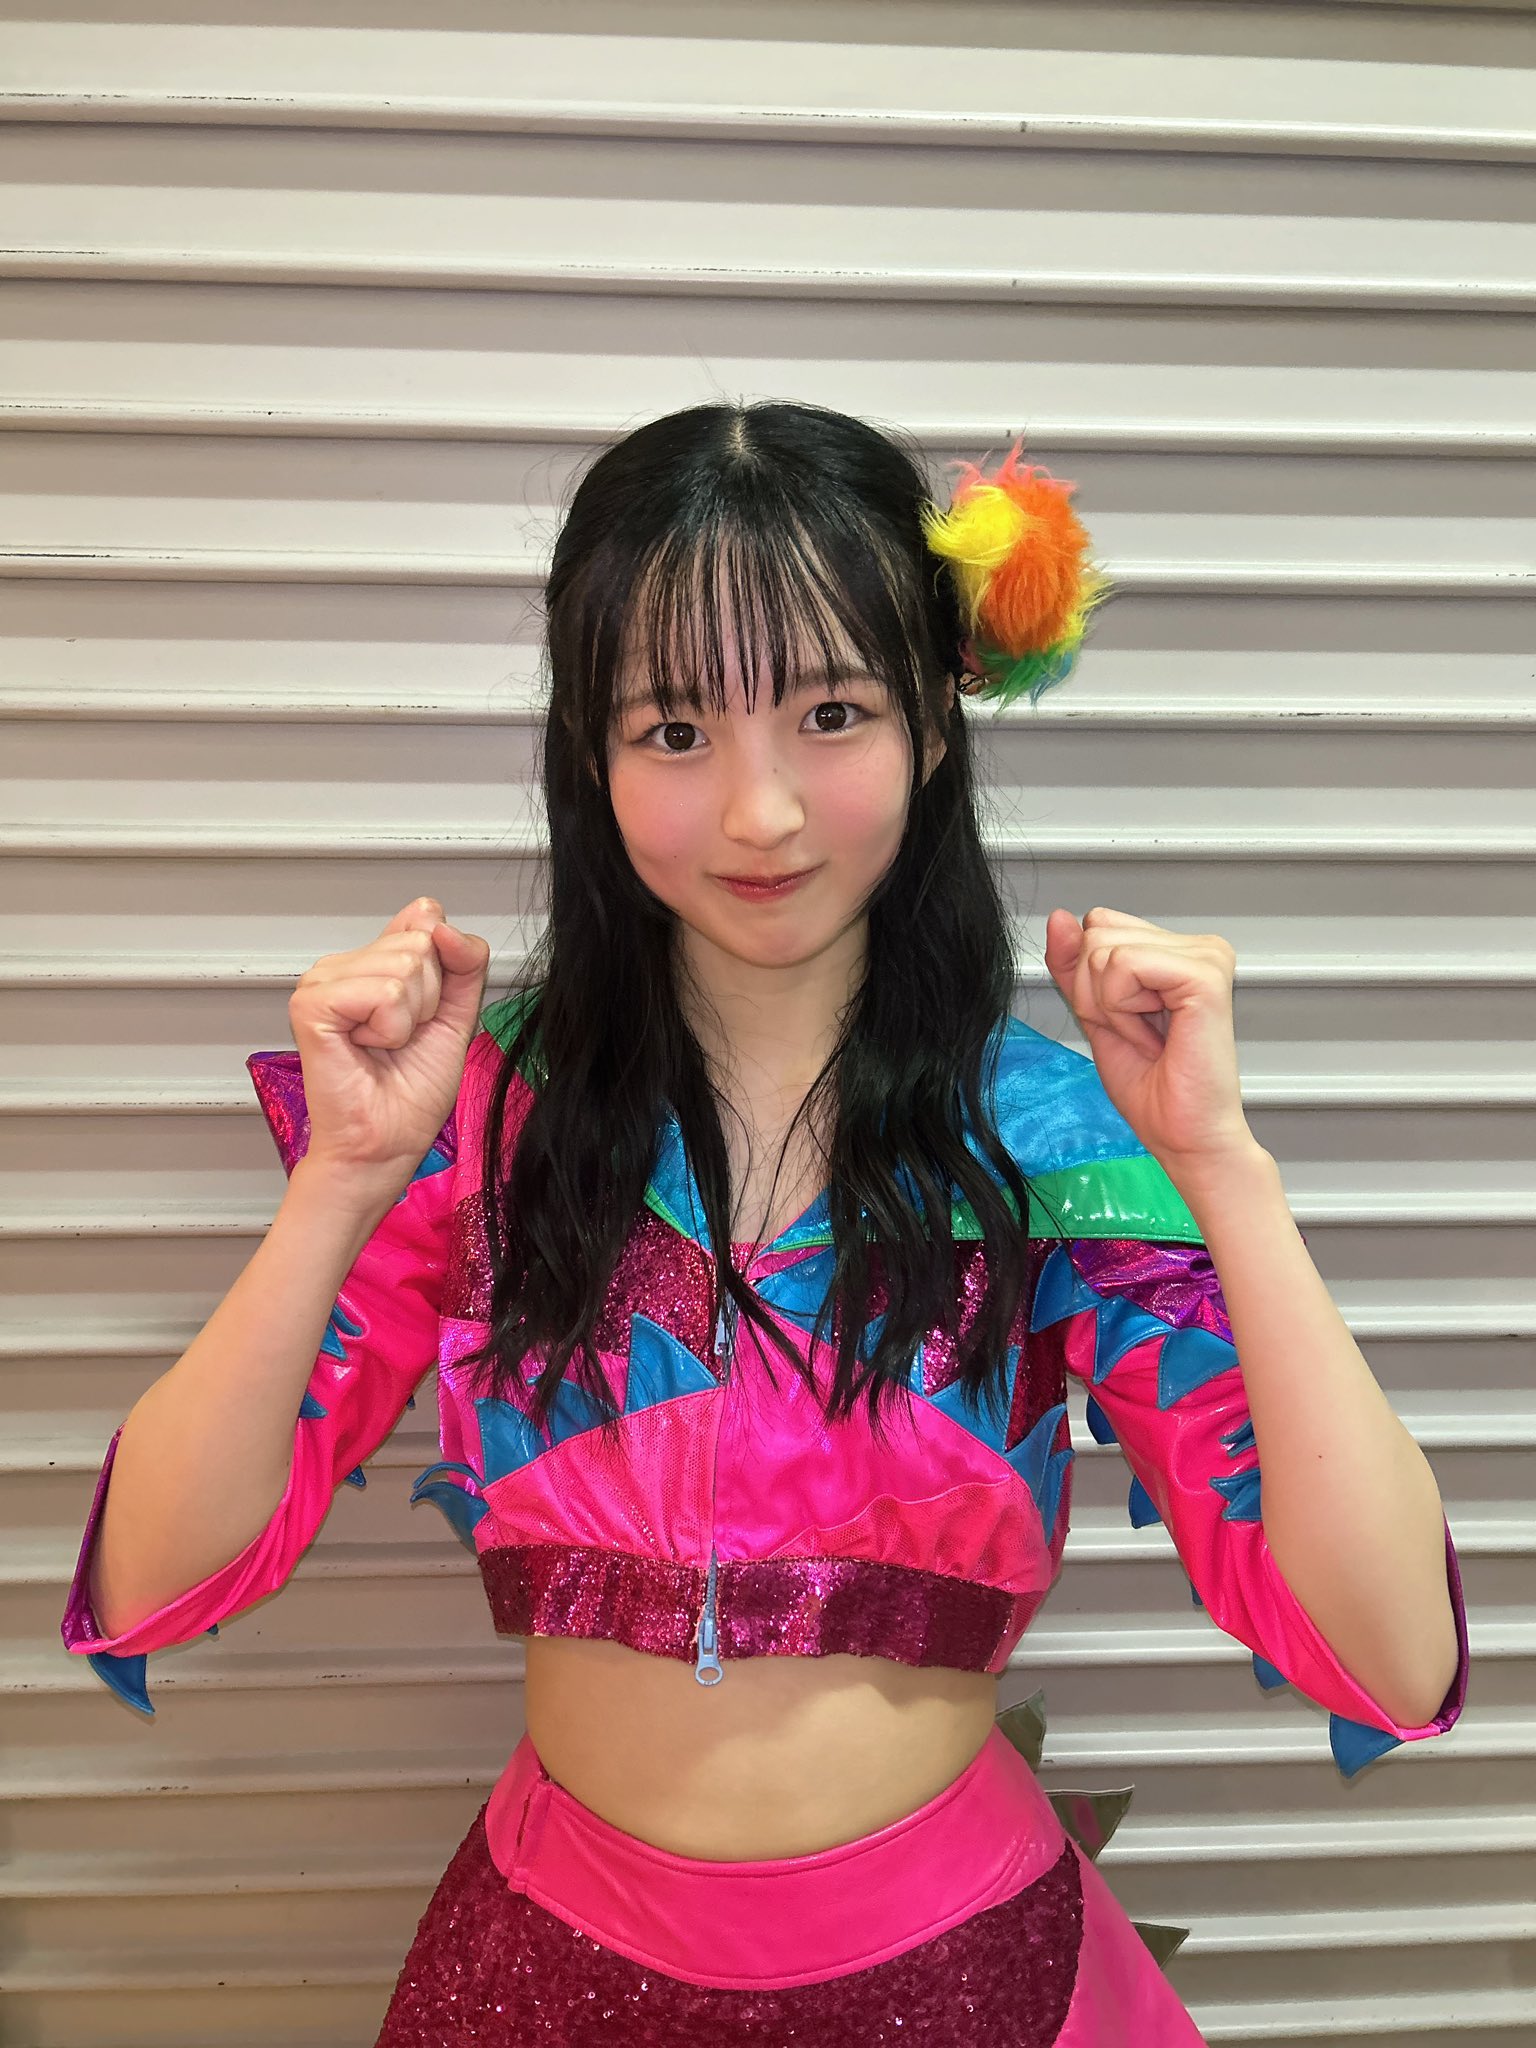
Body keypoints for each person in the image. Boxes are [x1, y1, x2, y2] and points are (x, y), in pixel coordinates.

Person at [61, 403, 1468, 2043]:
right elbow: (152, 1584)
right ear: (589, 752)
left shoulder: (1049, 1139)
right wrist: (343, 1186)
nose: (761, 813)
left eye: (830, 713)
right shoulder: (475, 1113)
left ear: (934, 722)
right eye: (675, 729)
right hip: (544, 1982)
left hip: (966, 1987)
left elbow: (1391, 1661)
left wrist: (1225, 1167)